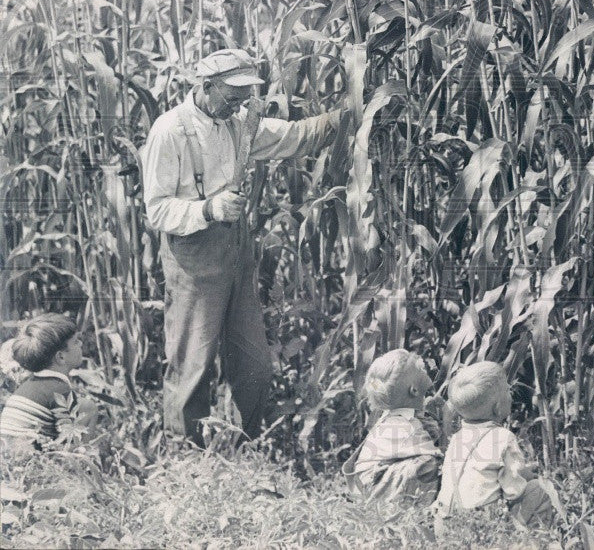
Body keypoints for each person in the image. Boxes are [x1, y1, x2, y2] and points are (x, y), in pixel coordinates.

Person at [141, 48, 351, 445]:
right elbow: (157, 210)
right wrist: (208, 208)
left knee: (254, 362)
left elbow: (294, 137)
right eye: (232, 95)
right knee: (192, 364)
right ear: (205, 86)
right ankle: (185, 461)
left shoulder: (239, 124)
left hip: (236, 253)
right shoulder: (170, 131)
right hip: (193, 257)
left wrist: (349, 115)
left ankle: (242, 447)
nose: (239, 103)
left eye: (243, 96)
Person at [433, 361, 557, 533]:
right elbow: (514, 490)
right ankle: (530, 538)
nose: (511, 393)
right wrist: (526, 476)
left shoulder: (456, 438)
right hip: (480, 524)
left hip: (445, 522)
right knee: (540, 488)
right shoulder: (502, 437)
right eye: (507, 390)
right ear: (498, 408)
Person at [342, 349, 441, 508]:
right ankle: (414, 509)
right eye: (420, 369)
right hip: (373, 485)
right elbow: (438, 456)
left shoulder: (392, 417)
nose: (425, 369)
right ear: (414, 390)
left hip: (371, 480)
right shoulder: (403, 425)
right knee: (429, 465)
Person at [0, 313, 84, 446]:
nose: (81, 343)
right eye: (75, 342)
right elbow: (69, 440)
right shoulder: (60, 390)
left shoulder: (28, 384)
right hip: (28, 458)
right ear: (61, 357)